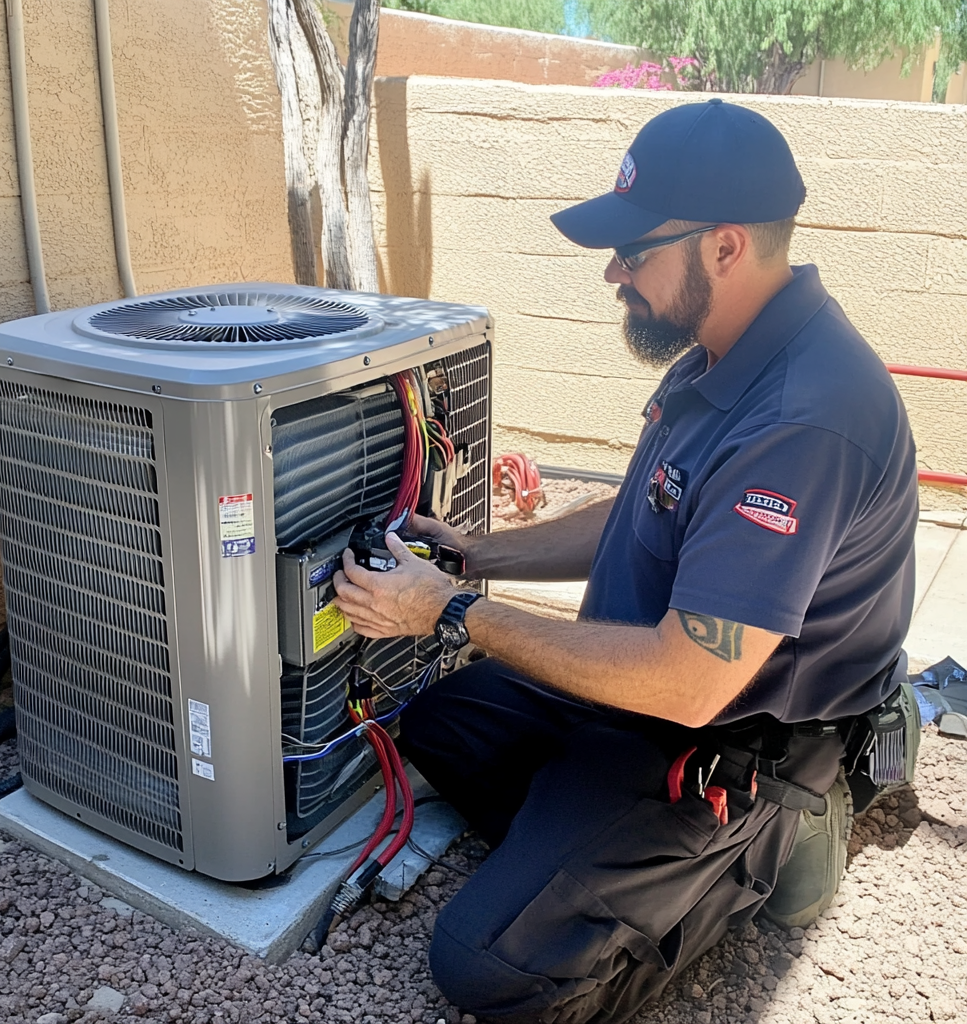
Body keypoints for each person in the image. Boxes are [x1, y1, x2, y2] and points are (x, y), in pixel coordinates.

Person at [332, 99, 918, 1023]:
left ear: (726, 247)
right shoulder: (718, 350)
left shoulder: (805, 419)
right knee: (438, 721)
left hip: (722, 736)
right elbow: (647, 505)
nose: (613, 273)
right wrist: (477, 553)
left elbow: (689, 683)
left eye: (634, 252)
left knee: (485, 966)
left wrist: (449, 609)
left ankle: (749, 865)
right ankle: (597, 850)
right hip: (630, 691)